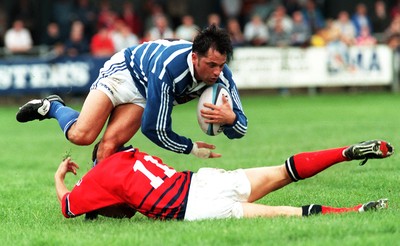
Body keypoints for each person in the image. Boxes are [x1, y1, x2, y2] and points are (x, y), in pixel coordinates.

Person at [16, 25, 248, 162]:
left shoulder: (222, 74)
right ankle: (54, 106)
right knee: (82, 136)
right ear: (195, 57)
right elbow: (153, 128)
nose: (217, 72)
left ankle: (93, 204)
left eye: (221, 64)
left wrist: (231, 119)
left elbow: (242, 127)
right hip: (124, 73)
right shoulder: (169, 68)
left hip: (145, 92)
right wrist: (191, 148)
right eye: (211, 65)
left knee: (108, 147)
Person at [55, 140, 393, 220]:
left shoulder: (99, 173)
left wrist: (59, 177)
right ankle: (345, 151)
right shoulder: (136, 154)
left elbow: (68, 206)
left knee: (288, 213)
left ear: (98, 158)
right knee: (282, 172)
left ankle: (356, 212)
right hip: (203, 181)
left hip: (195, 208)